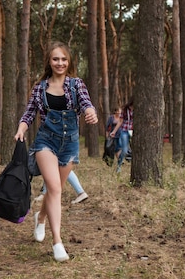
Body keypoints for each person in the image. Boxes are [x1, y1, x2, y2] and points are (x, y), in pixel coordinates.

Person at [14, 41, 98, 262]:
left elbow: (86, 103)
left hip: (69, 144)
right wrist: (21, 129)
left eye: (63, 59)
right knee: (54, 188)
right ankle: (58, 243)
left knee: (56, 189)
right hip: (45, 142)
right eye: (55, 59)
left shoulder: (76, 84)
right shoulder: (40, 87)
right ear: (49, 62)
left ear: (68, 62)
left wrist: (90, 111)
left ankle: (40, 218)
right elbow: (29, 113)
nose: (60, 63)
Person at [110, 99, 133, 173]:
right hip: (125, 131)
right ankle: (119, 165)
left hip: (134, 131)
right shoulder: (125, 110)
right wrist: (114, 131)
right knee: (124, 150)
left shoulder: (139, 109)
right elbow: (120, 121)